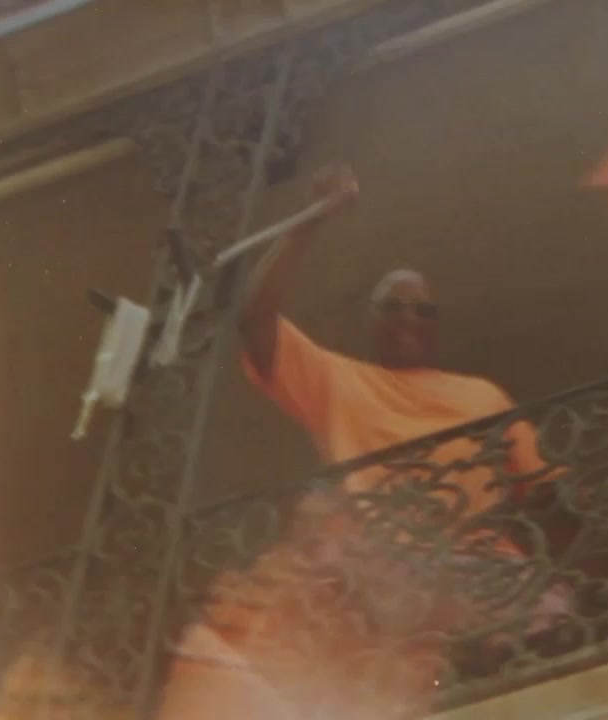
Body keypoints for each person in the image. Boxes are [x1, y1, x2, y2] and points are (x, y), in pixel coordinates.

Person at [155, 166, 566, 720]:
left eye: (423, 310)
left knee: (553, 611)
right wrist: (308, 224)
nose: (409, 318)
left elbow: (547, 495)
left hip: (480, 577)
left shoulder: (483, 395)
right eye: (393, 305)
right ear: (369, 319)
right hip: (381, 577)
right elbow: (255, 321)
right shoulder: (338, 380)